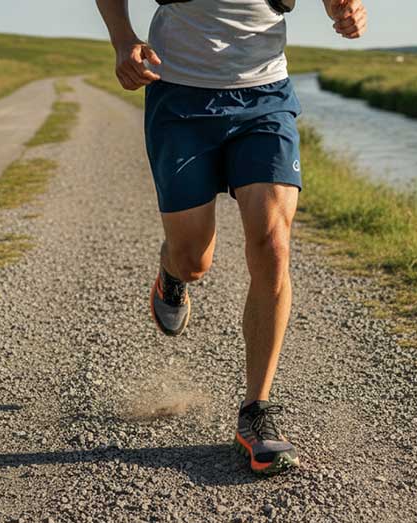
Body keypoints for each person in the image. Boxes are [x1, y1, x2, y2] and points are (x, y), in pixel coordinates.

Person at [95, 0, 367, 475]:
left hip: (265, 96)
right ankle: (172, 272)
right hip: (179, 95)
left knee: (273, 245)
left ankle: (257, 411)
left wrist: (344, 7)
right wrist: (123, 40)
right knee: (193, 260)